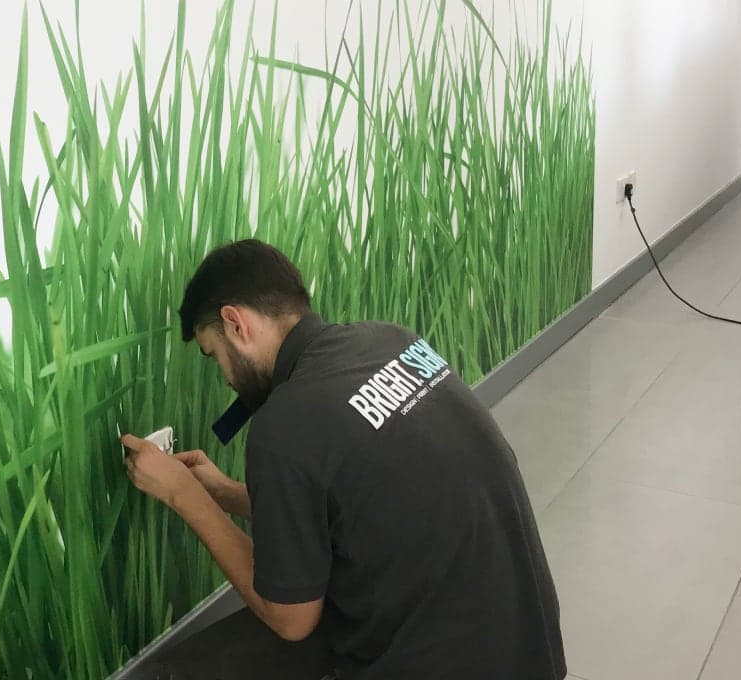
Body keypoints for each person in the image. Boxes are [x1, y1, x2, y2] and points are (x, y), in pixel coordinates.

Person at [121, 239, 566, 679]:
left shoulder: (285, 423)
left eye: (214, 354)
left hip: (443, 662)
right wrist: (223, 492)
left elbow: (291, 620)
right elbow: (352, 505)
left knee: (171, 674)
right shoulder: (391, 339)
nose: (224, 377)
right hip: (530, 651)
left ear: (236, 324)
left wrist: (184, 496)